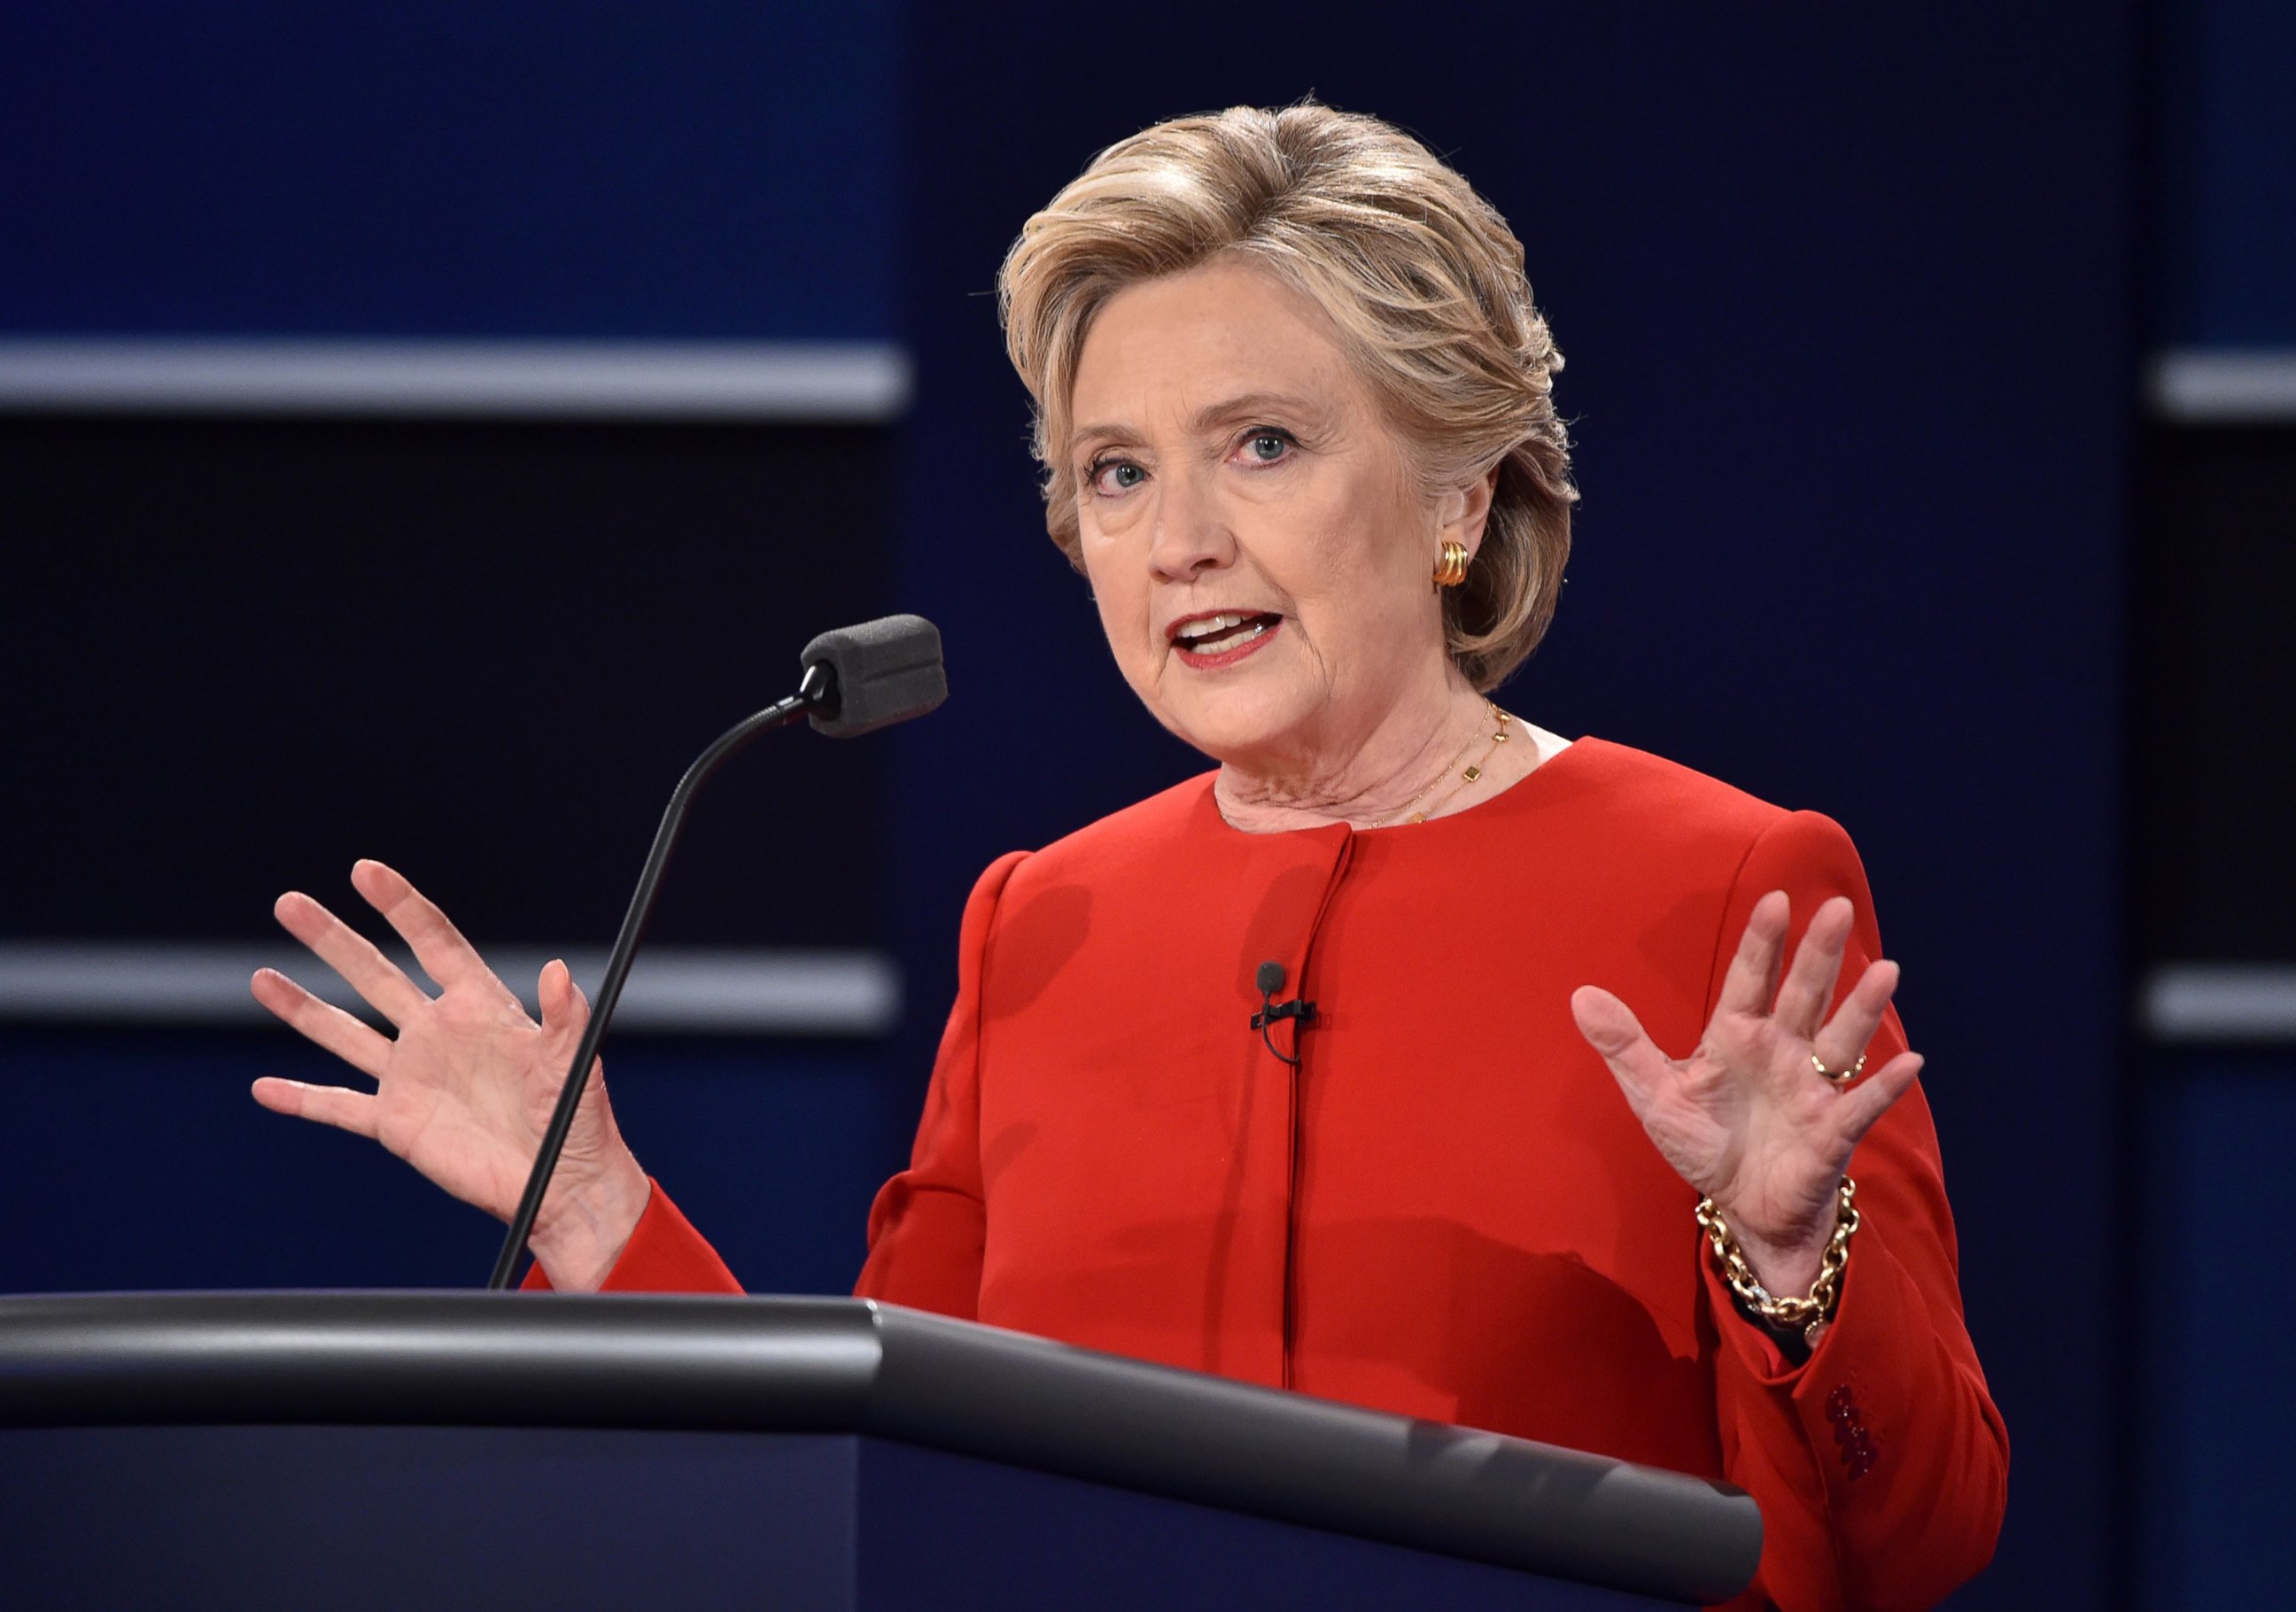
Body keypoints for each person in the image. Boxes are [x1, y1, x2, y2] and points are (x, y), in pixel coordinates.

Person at [249, 103, 2006, 1610]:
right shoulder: (1048, 921)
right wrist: (594, 1211)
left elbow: (1921, 1538)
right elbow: (881, 1475)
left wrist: (1795, 1264)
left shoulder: (1725, 884)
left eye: (1264, 444)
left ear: (1462, 495)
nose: (1177, 542)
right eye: (1113, 472)